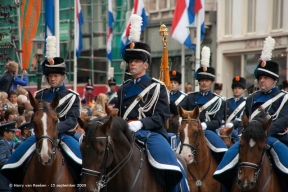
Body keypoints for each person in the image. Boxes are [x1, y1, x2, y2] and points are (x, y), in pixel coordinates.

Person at [116, 22, 189, 191]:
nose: (132, 64)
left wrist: (141, 123)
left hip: (151, 133)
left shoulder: (158, 87)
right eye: (130, 61)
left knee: (170, 165)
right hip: (125, 132)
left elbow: (162, 116)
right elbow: (118, 114)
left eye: (136, 61)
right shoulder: (123, 88)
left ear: (146, 65)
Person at [1, 36, 82, 187]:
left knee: (82, 163)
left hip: (64, 136)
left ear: (62, 77)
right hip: (40, 136)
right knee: (14, 162)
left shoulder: (72, 97)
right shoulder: (40, 95)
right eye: (50, 76)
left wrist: (54, 130)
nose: (52, 79)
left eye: (56, 76)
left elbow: (72, 120)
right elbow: (34, 119)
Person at [213, 36, 288, 191]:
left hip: (273, 138)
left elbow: (284, 120)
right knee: (225, 166)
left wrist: (264, 132)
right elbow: (244, 119)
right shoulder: (251, 99)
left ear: (274, 80)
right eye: (260, 77)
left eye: (266, 78)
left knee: (285, 163)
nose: (262, 81)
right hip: (248, 138)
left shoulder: (284, 98)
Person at [180, 46, 227, 163]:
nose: (204, 83)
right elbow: (179, 109)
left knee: (223, 151)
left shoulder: (218, 100)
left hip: (208, 131)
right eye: (202, 80)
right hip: (190, 131)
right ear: (198, 81)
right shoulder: (190, 97)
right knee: (174, 151)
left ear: (211, 82)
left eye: (207, 80)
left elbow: (218, 121)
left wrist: (205, 125)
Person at [222, 76, 247, 142]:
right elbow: (222, 117)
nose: (237, 90)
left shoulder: (246, 102)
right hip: (226, 129)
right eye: (235, 88)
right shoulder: (226, 102)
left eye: (239, 88)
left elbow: (243, 119)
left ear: (243, 90)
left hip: (239, 130)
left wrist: (233, 124)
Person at [0, 121, 17, 192]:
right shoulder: (2, 143)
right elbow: (1, 161)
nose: (14, 134)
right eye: (12, 132)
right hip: (3, 182)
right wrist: (14, 161)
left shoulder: (6, 143)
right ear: (5, 133)